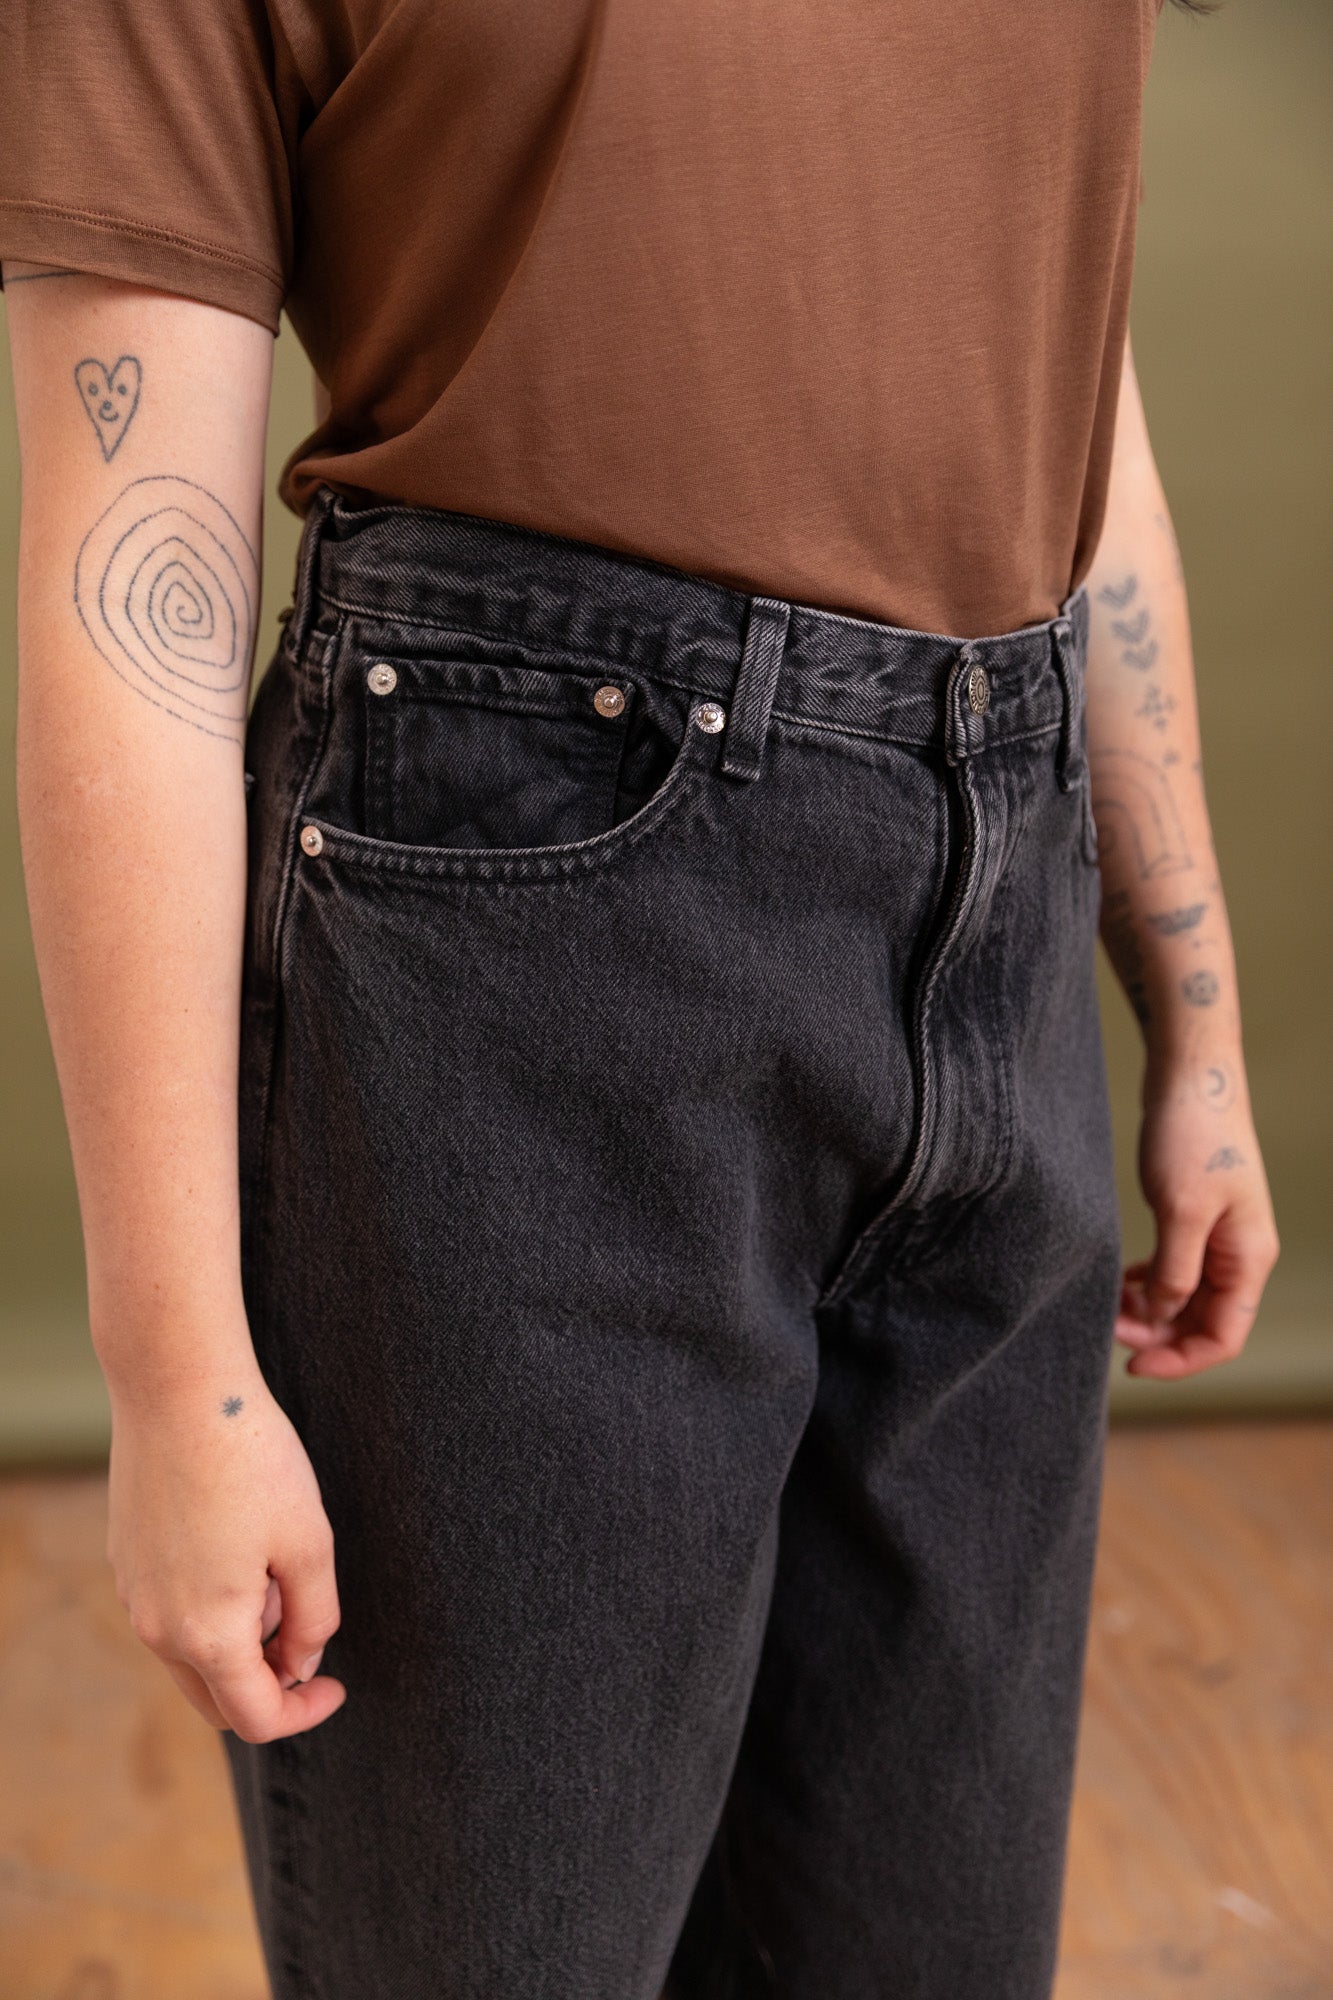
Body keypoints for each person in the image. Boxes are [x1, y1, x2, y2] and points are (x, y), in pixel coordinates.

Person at [0, 0, 1280, 1993]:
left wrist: (1189, 1007)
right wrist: (179, 1371)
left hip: (1002, 895)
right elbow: (134, 581)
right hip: (524, 944)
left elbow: (1067, 401)